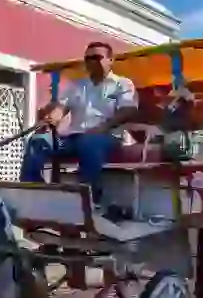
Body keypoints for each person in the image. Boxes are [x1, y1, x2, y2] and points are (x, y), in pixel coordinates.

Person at [20, 42, 139, 199]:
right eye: (88, 58)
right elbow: (61, 108)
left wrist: (105, 126)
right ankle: (32, 193)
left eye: (97, 57)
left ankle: (88, 199)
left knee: (89, 143)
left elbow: (128, 110)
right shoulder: (77, 85)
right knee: (38, 141)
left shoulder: (122, 84)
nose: (92, 61)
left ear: (111, 60)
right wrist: (52, 118)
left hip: (107, 138)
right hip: (73, 138)